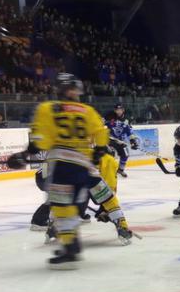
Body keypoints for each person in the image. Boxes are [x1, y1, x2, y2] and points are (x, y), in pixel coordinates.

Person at [8, 73, 134, 269]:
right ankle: (123, 225)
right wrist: (96, 154)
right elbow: (101, 136)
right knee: (105, 195)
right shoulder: (87, 110)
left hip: (62, 166)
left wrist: (25, 155)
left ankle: (70, 248)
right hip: (85, 167)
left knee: (62, 207)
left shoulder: (48, 109)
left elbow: (40, 140)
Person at [105, 103, 138, 177]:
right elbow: (103, 126)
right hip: (111, 140)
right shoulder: (110, 117)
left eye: (120, 110)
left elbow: (129, 131)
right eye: (117, 110)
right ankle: (110, 171)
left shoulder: (126, 120)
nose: (119, 111)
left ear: (123, 110)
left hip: (121, 141)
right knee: (111, 154)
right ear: (115, 110)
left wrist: (133, 141)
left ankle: (120, 170)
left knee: (125, 154)